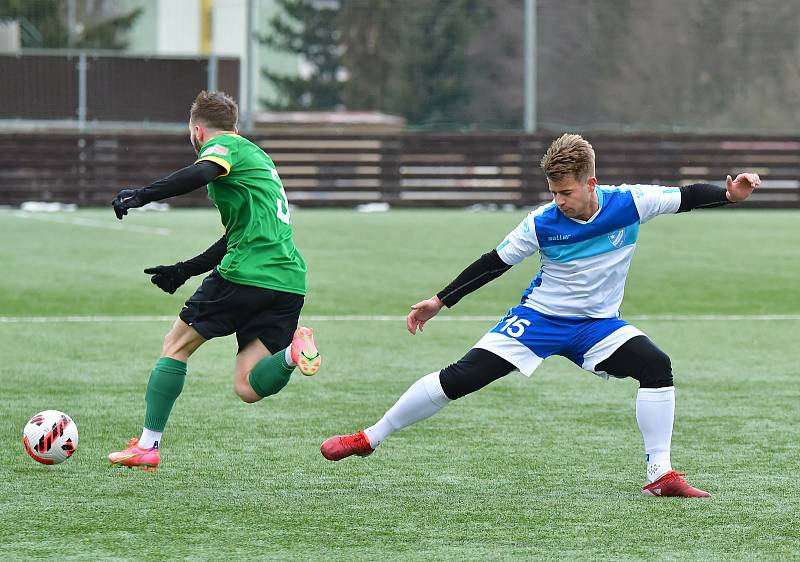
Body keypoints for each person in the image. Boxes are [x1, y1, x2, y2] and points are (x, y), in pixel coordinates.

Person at [321, 133, 760, 497]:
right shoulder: (541, 222)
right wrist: (440, 300)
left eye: (566, 192)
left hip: (597, 326)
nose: (559, 201)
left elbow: (685, 196)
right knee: (459, 378)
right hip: (539, 321)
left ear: (591, 182)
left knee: (655, 364)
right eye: (553, 192)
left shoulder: (631, 202)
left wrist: (729, 194)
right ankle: (370, 437)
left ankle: (660, 476)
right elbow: (494, 262)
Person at [107, 90, 321, 470]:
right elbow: (234, 237)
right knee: (247, 386)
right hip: (288, 280)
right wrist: (185, 269)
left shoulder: (225, 148)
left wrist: (142, 195)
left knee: (175, 345)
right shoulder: (257, 158)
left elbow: (202, 171)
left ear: (198, 131)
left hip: (247, 273)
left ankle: (147, 445)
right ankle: (292, 352)